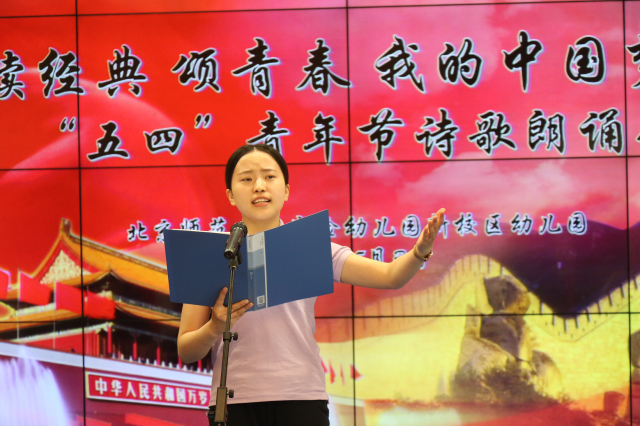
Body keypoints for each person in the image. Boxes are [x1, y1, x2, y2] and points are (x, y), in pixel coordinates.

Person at [177, 144, 445, 426]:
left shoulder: (310, 247)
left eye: (269, 177)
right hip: (233, 404)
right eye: (246, 179)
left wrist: (419, 252)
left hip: (301, 397)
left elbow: (390, 276)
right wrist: (214, 327)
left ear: (286, 190)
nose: (259, 186)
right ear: (231, 195)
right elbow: (186, 350)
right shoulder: (210, 256)